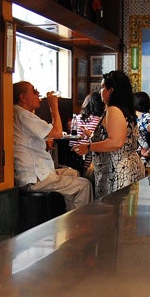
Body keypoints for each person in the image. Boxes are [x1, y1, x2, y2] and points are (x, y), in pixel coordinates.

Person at [13, 81, 92, 210]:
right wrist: (53, 106)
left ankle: (68, 217)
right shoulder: (22, 114)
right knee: (84, 185)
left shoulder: (19, 113)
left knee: (74, 174)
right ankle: (78, 225)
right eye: (34, 91)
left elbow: (26, 140)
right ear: (23, 97)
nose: (38, 93)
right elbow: (58, 133)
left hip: (33, 173)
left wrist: (44, 142)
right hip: (34, 177)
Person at [71, 70, 143, 199]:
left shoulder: (114, 110)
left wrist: (88, 147)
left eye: (103, 87)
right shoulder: (125, 110)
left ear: (112, 90)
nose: (100, 91)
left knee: (114, 214)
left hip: (118, 172)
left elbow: (115, 142)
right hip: (127, 168)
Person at [68, 90, 105, 182]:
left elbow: (71, 143)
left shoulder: (75, 119)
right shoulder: (100, 121)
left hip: (75, 160)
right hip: (91, 162)